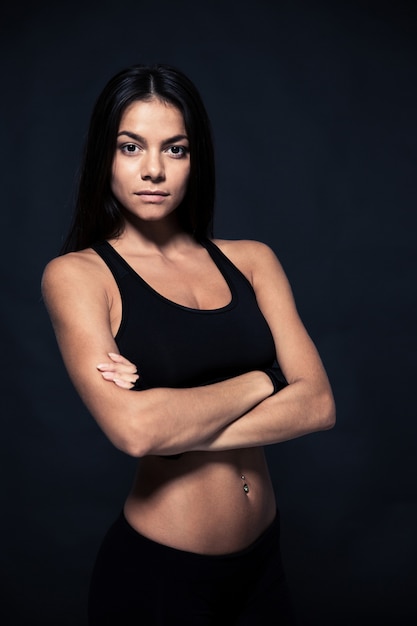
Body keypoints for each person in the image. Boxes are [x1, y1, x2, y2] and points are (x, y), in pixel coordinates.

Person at [41, 63, 336, 625]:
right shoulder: (79, 276)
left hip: (263, 564)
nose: (153, 170)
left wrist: (175, 426)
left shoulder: (253, 260)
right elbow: (135, 431)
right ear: (105, 153)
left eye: (174, 150)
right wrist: (266, 381)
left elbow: (319, 405)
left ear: (196, 159)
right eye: (132, 147)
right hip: (160, 580)